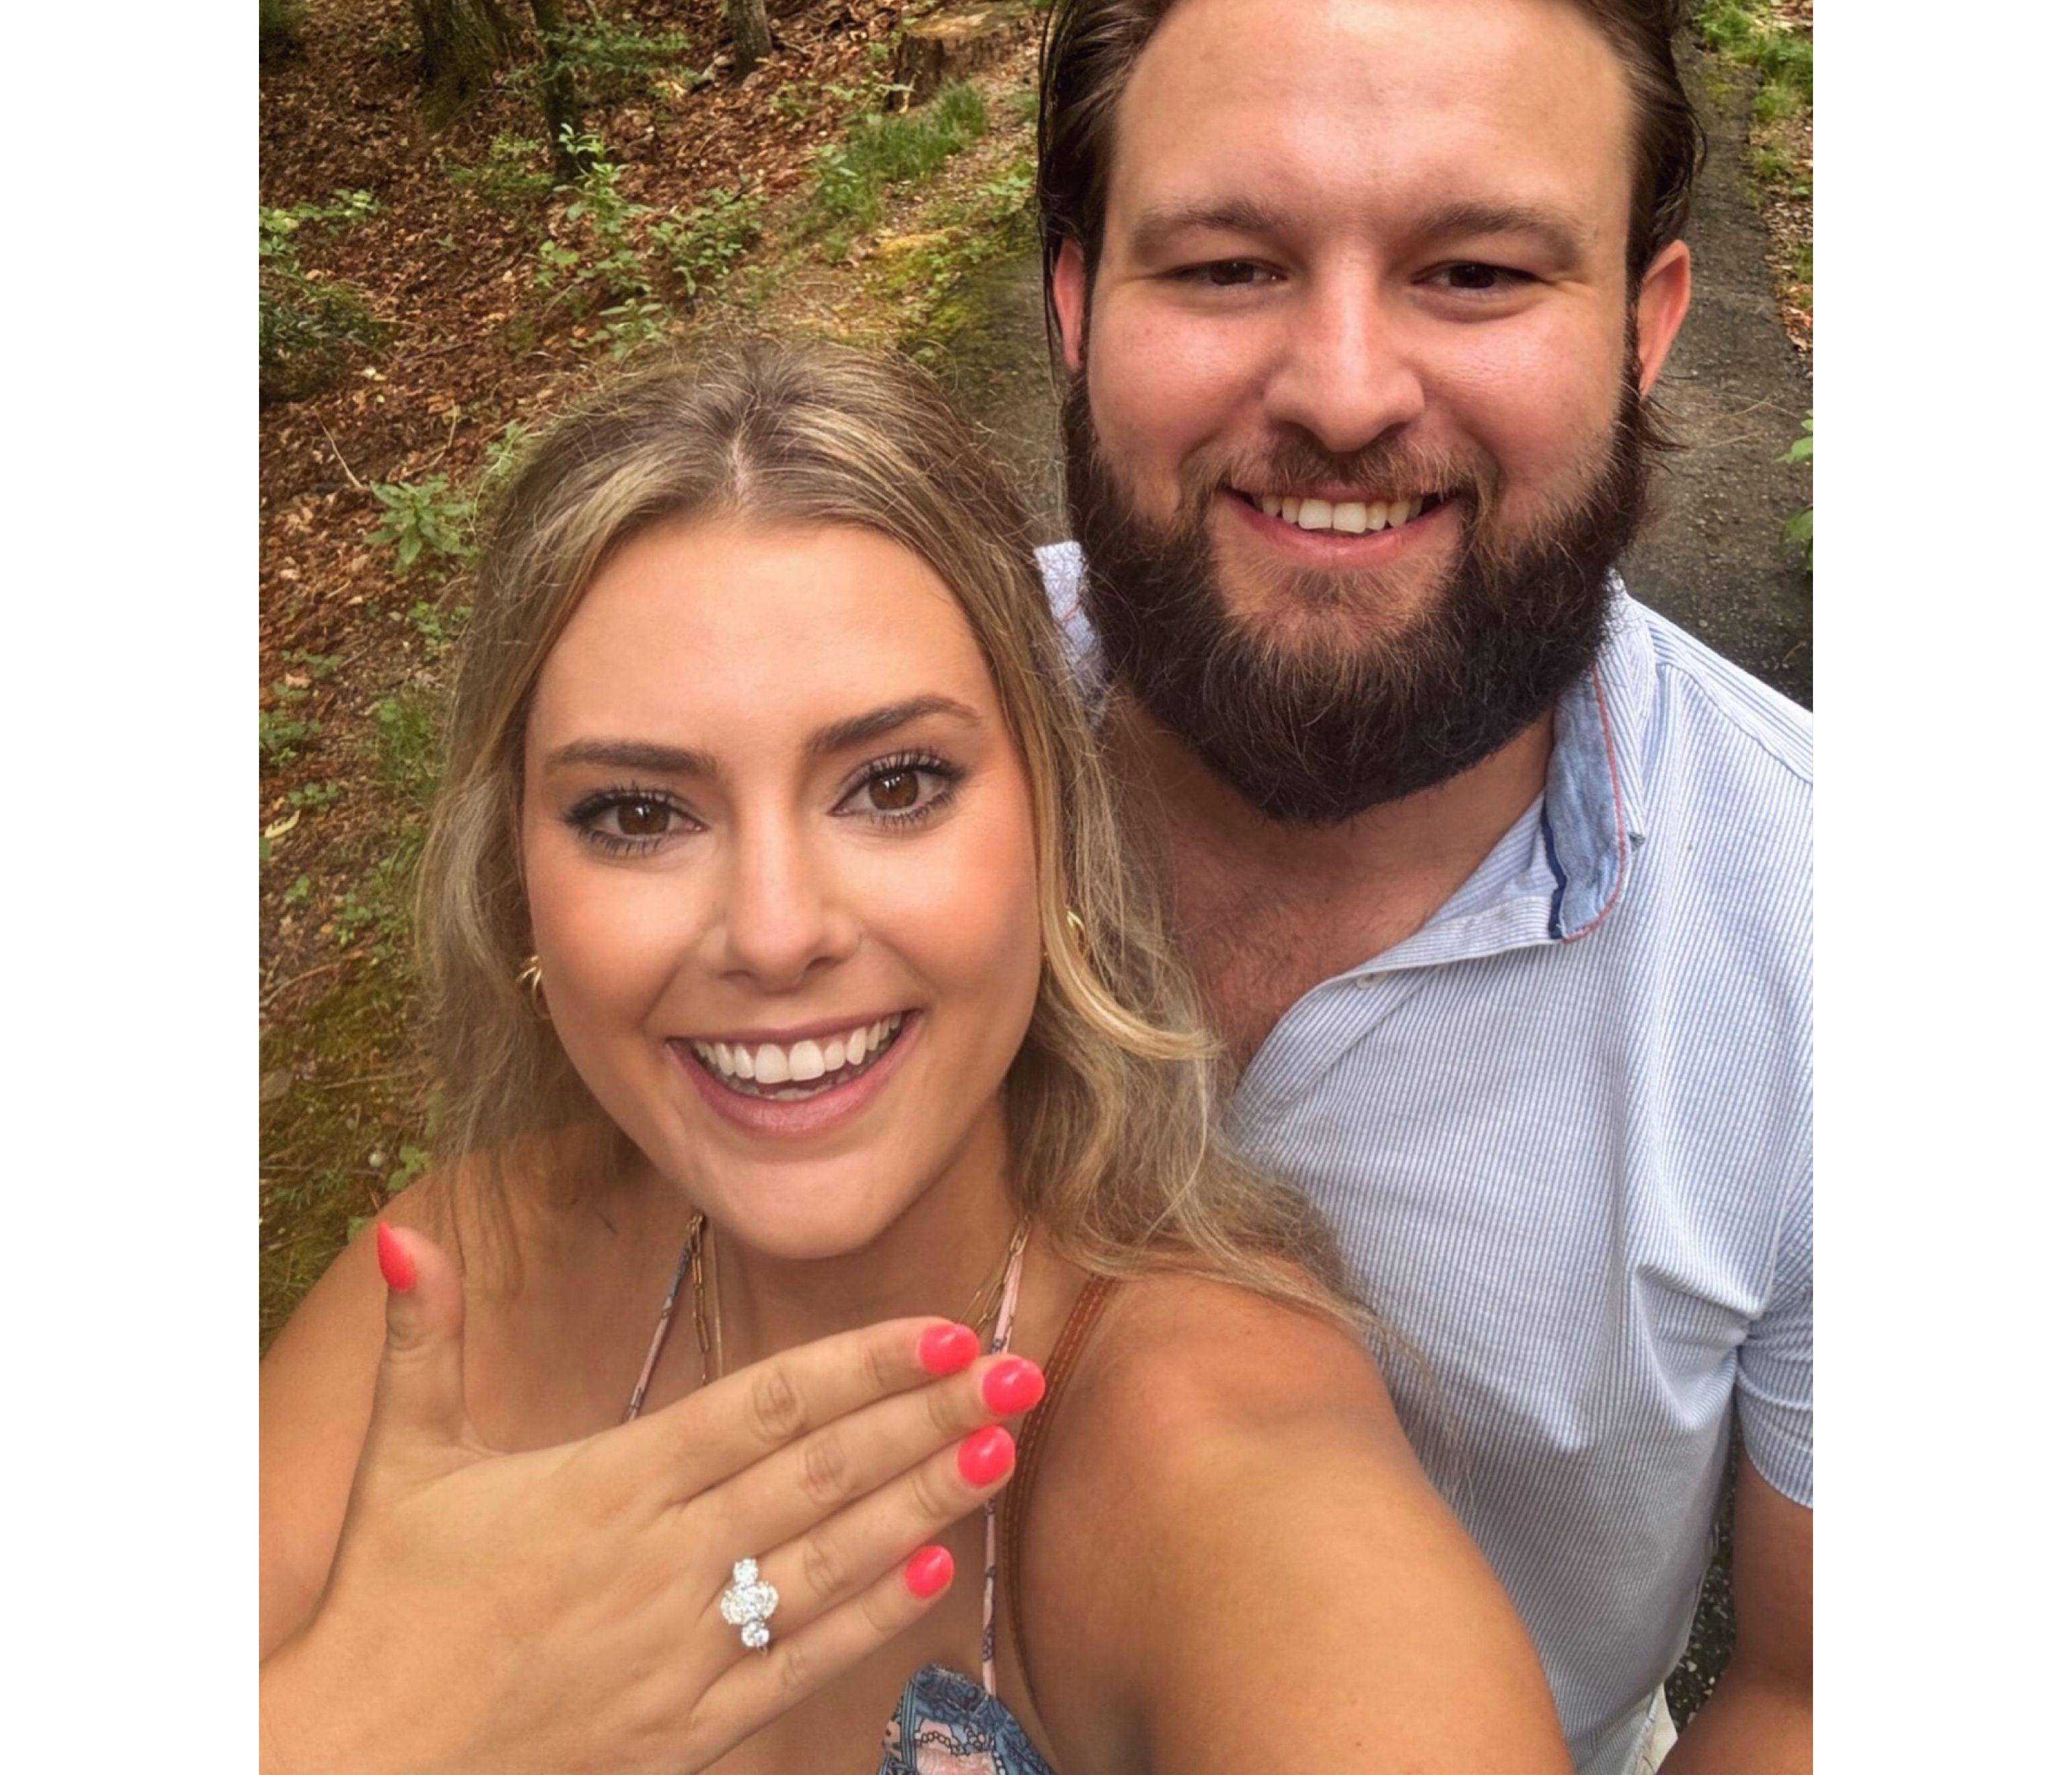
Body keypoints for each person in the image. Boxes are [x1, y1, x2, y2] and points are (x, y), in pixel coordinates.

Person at [260, 344, 1568, 1773]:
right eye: (636, 812)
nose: (774, 932)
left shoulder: (1237, 1488)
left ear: (1053, 830)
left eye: (893, 784)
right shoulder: (446, 1296)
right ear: (518, 882)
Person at [1033, 0, 1812, 1775]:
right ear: (1076, 306)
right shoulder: (844, 733)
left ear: (1645, 328)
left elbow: (1821, 1689)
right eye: (1227, 263)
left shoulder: (1862, 963)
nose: (1343, 387)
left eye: (1472, 272)